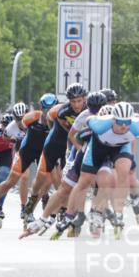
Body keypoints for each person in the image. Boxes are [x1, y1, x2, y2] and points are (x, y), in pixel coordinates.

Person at [52, 101, 139, 239]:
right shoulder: (100, 125)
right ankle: (70, 216)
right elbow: (87, 121)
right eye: (119, 121)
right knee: (84, 182)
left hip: (121, 147)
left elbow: (135, 126)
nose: (124, 125)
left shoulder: (137, 126)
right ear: (113, 119)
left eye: (127, 122)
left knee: (125, 174)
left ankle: (119, 213)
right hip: (99, 148)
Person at [0, 94, 58, 227]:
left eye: (52, 110)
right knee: (13, 180)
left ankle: (30, 210)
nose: (49, 114)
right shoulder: (31, 117)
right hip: (26, 151)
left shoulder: (59, 120)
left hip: (43, 152)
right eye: (46, 111)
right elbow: (8, 134)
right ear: (42, 109)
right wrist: (13, 140)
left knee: (46, 181)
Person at [28, 84, 88, 218]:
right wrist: (57, 129)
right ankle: (32, 200)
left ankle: (70, 211)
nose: (77, 105)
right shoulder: (61, 111)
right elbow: (50, 117)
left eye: (79, 101)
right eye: (73, 101)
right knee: (44, 177)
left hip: (77, 142)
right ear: (68, 101)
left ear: (85, 99)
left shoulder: (91, 108)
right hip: (60, 142)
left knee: (69, 180)